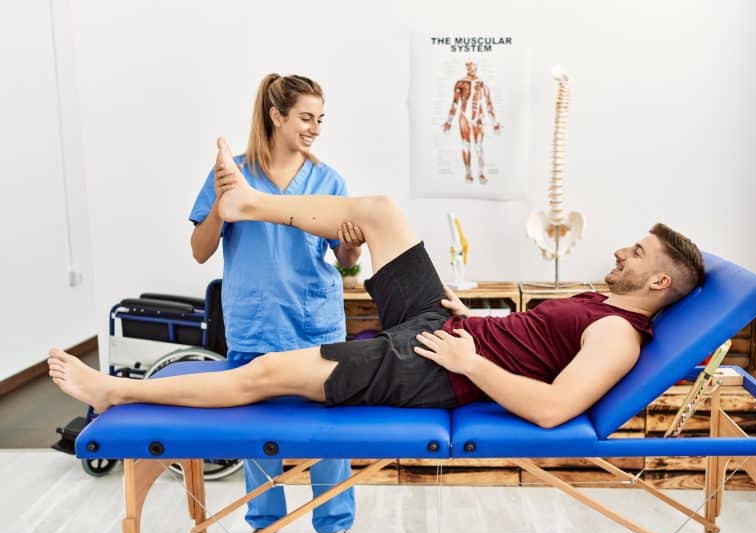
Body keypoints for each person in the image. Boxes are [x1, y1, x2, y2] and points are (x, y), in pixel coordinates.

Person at [50, 137, 704, 431]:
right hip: (449, 329)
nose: (621, 248)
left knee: (271, 370)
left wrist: (471, 362)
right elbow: (531, 338)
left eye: (637, 250)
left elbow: (553, 408)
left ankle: (114, 391)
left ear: (655, 279)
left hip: (438, 367)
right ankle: (247, 204)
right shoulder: (600, 299)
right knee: (381, 210)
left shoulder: (620, 334)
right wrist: (473, 317)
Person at [187, 75, 361, 533]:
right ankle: (263, 525)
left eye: (320, 119)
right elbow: (200, 251)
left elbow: (345, 264)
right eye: (306, 117)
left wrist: (352, 243)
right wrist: (224, 206)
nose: (315, 128)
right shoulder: (231, 173)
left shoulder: (329, 182)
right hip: (254, 323)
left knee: (329, 434)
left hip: (316, 322)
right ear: (277, 116)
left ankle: (337, 525)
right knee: (258, 435)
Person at [442, 60, 502, 184]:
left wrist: (494, 122)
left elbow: (488, 103)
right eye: (469, 68)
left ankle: (480, 173)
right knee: (466, 146)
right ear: (466, 68)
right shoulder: (460, 83)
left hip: (478, 117)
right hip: (464, 117)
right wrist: (449, 120)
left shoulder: (482, 83)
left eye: (474, 67)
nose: (472, 70)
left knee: (479, 146)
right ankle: (468, 173)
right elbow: (454, 102)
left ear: (476, 68)